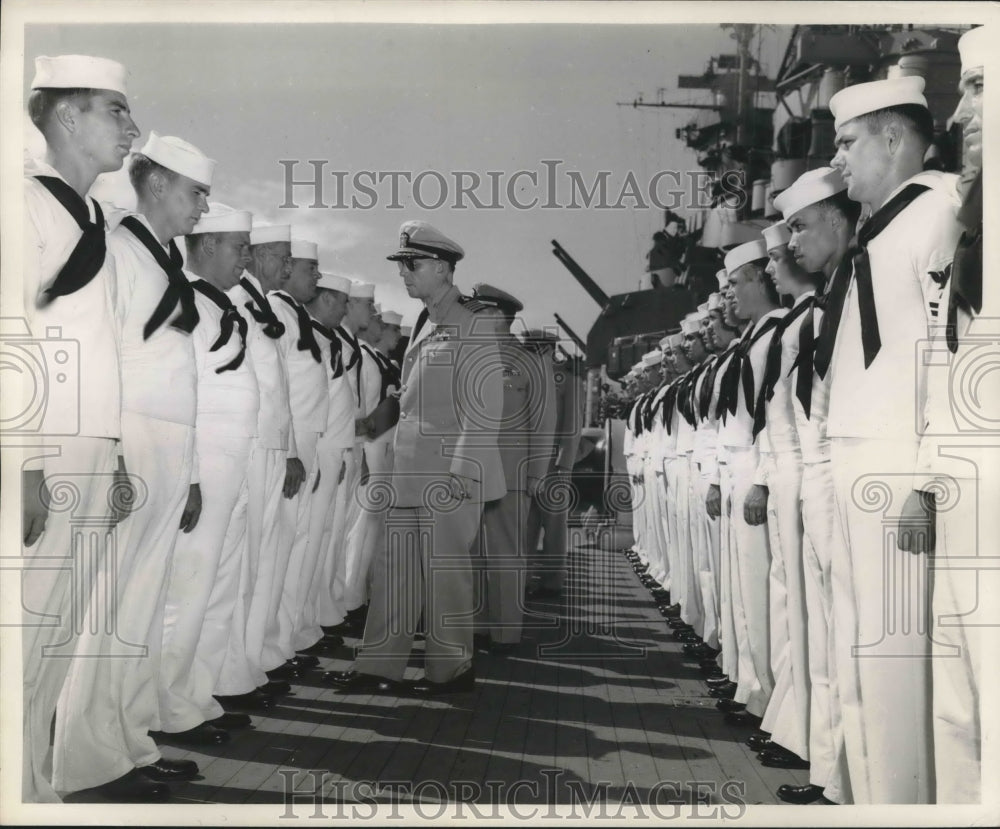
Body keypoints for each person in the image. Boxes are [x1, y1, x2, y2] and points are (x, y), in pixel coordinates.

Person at [54, 131, 214, 798]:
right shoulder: (119, 250)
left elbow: (182, 369)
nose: (203, 206)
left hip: (170, 441)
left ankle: (127, 741)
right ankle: (85, 763)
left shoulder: (165, 259)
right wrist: (114, 452)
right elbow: (101, 358)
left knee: (143, 606)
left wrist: (194, 469)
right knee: (110, 607)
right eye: (195, 191)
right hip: (133, 441)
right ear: (155, 184)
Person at [19, 54, 154, 803]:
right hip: (46, 445)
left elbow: (103, 346)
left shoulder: (98, 218)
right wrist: (27, 464)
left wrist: (118, 452)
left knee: (59, 634)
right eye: (115, 110)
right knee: (26, 635)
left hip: (91, 444)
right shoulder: (24, 205)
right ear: (67, 115)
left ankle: (32, 788)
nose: (132, 129)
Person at [825, 75, 964, 803]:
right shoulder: (878, 228)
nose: (837, 157)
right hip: (853, 458)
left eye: (847, 142)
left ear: (891, 138)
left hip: (896, 470)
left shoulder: (939, 212)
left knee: (895, 668)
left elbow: (948, 357)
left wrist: (925, 478)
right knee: (858, 660)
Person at [327, 220, 504, 695]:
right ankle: (379, 666)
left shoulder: (474, 322)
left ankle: (451, 671)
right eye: (402, 265)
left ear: (444, 269)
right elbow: (411, 397)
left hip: (448, 473)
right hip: (410, 469)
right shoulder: (428, 319)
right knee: (395, 569)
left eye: (413, 264)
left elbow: (485, 406)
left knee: (445, 574)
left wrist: (462, 474)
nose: (404, 273)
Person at [905, 25, 988, 805]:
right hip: (961, 497)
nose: (957, 112)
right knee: (958, 705)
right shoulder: (965, 233)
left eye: (978, 88)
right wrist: (926, 483)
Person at [155, 203, 257, 747]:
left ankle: (196, 696)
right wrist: (190, 473)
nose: (247, 257)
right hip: (207, 463)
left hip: (235, 463)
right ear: (210, 245)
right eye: (239, 246)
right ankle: (167, 707)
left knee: (217, 591)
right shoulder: (187, 302)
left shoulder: (224, 306)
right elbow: (180, 388)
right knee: (187, 591)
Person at [774, 165, 860, 804]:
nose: (790, 248)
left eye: (799, 228)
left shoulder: (854, 290)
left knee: (846, 640)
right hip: (818, 481)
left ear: (836, 218)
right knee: (826, 635)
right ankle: (831, 775)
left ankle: (842, 782)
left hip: (849, 483)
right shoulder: (833, 299)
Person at [752, 220, 822, 772]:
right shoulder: (791, 321)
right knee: (785, 599)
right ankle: (785, 718)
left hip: (804, 466)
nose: (777, 264)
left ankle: (800, 732)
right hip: (785, 468)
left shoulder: (815, 315)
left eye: (776, 258)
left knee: (801, 606)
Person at [221, 221, 295, 710]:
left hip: (268, 446)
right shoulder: (239, 302)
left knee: (255, 568)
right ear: (256, 258)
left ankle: (242, 668)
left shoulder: (259, 304)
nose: (286, 267)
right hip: (248, 448)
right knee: (239, 569)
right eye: (281, 257)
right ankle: (227, 677)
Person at [715, 238, 786, 727]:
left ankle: (765, 697)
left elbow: (773, 414)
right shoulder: (754, 339)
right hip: (739, 468)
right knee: (744, 587)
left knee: (762, 591)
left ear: (761, 278)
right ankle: (751, 686)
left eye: (735, 284)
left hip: (759, 469)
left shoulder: (779, 334)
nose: (728, 297)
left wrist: (759, 478)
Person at [470, 284, 556, 651]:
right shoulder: (468, 358)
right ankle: (475, 626)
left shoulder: (529, 361)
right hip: (470, 472)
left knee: (506, 553)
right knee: (472, 552)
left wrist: (537, 472)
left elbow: (545, 419)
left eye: (479, 312)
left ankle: (505, 632)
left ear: (496, 316)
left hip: (510, 472)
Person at [267, 237, 329, 670]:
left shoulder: (294, 315)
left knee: (296, 548)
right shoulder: (275, 311)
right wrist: (292, 449)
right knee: (278, 554)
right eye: (311, 269)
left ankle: (281, 642)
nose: (316, 277)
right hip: (290, 442)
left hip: (310, 440)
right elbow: (279, 388)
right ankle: (272, 648)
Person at [298, 273, 353, 651]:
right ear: (329, 299)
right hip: (313, 455)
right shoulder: (308, 334)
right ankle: (296, 632)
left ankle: (308, 624)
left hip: (333, 453)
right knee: (305, 547)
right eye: (346, 301)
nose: (349, 309)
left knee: (321, 544)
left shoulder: (327, 339)